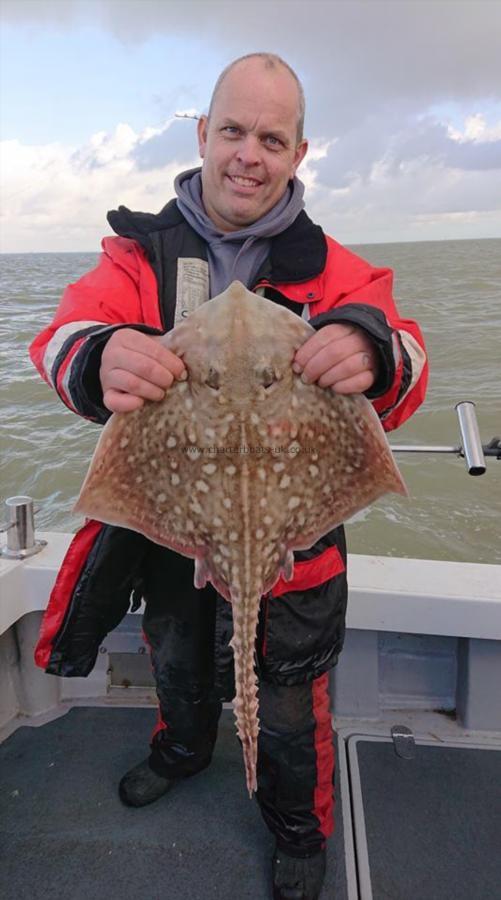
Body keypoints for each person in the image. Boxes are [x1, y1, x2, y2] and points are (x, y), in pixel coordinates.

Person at [30, 53, 428, 900]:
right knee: (177, 662)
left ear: (298, 153)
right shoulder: (139, 254)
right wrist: (98, 355)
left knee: (288, 700)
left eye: (272, 138)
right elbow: (66, 333)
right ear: (204, 133)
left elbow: (407, 355)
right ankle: (181, 749)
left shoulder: (336, 271)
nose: (250, 153)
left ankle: (296, 826)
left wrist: (370, 347)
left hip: (296, 535)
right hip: (178, 526)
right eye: (235, 131)